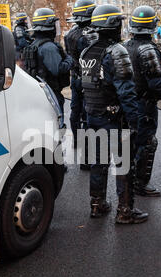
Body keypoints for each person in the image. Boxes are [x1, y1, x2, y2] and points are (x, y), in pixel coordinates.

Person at [79, 4, 149, 224]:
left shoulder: (86, 51)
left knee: (98, 163)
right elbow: (127, 93)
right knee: (124, 164)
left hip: (92, 116)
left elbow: (85, 87)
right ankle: (125, 211)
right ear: (113, 24)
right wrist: (135, 123)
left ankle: (97, 205)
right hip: (114, 119)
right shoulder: (117, 51)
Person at [124, 5, 161, 197]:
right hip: (144, 105)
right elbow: (156, 84)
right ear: (153, 26)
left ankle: (128, 185)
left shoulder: (124, 47)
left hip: (128, 103)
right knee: (147, 143)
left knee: (130, 145)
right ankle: (140, 183)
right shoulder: (148, 49)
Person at [23, 8, 73, 112]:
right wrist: (70, 59)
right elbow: (58, 69)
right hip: (51, 94)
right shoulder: (48, 47)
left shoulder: (35, 44)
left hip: (40, 93)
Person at [64, 0, 95, 159]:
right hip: (87, 77)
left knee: (75, 110)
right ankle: (87, 150)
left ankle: (77, 140)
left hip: (75, 77)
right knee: (88, 112)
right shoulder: (89, 35)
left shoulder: (70, 33)